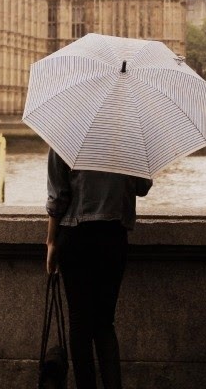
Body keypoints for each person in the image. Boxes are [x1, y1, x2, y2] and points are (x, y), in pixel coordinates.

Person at [45, 148, 152, 389]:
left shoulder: (67, 136)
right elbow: (143, 187)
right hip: (113, 237)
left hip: (75, 235)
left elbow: (58, 197)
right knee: (104, 324)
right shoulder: (129, 137)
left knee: (80, 325)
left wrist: (51, 241)